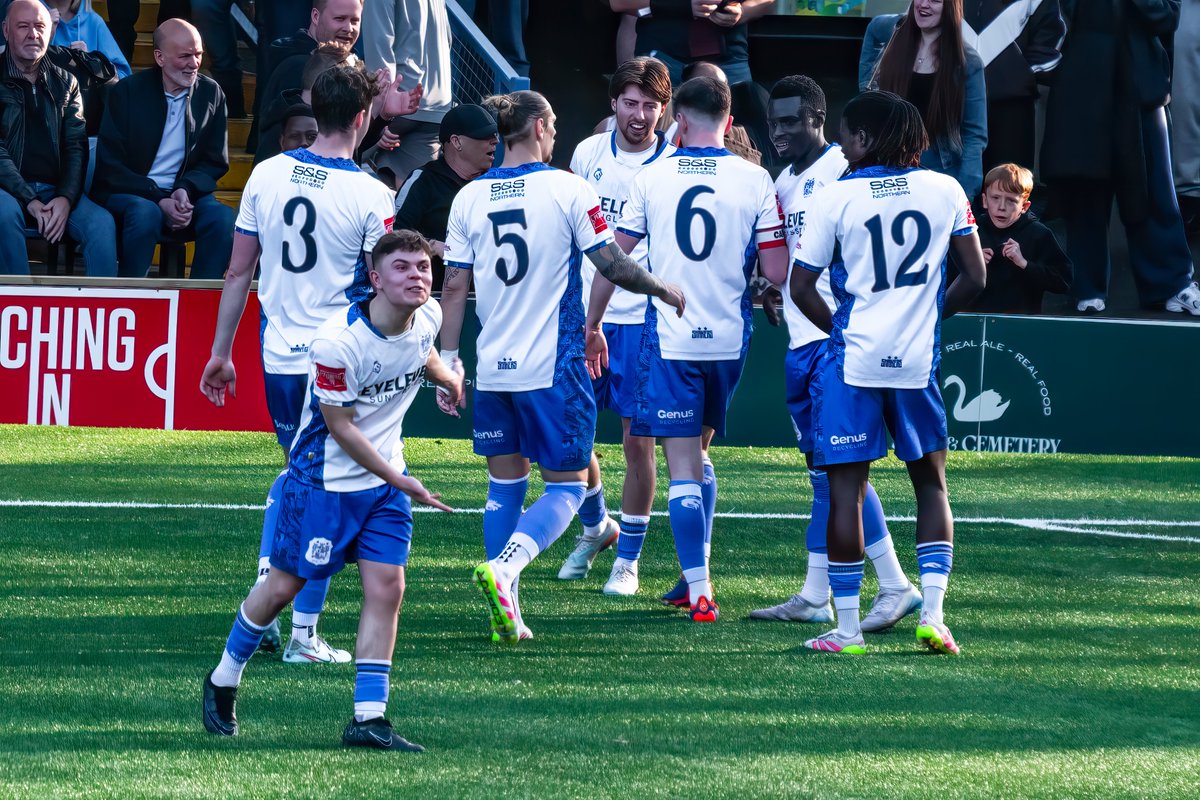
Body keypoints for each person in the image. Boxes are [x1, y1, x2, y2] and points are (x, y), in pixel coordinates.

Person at [201, 229, 464, 752]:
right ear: (375, 279)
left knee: (388, 588)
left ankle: (368, 718)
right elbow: (341, 427)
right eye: (402, 268)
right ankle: (223, 678)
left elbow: (421, 351)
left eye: (423, 267)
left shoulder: (427, 316)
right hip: (323, 483)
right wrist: (401, 479)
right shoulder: (337, 344)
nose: (417, 276)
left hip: (383, 487)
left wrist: (447, 378)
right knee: (282, 588)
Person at [438, 89, 685, 643]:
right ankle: (506, 570)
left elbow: (453, 287)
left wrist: (450, 363)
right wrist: (661, 288)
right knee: (569, 489)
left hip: (493, 366)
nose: (554, 135)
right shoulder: (570, 188)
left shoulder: (469, 197)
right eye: (552, 126)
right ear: (540, 128)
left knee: (504, 488)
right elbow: (613, 264)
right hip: (552, 365)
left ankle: (508, 609)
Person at [200, 64, 398, 662]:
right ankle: (302, 633)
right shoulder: (371, 193)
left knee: (298, 475)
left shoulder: (266, 172)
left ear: (318, 110)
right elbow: (380, 284)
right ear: (362, 117)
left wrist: (220, 353)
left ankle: (271, 586)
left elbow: (239, 270)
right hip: (335, 361)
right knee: (328, 489)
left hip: (278, 358)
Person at [790, 90, 986, 655]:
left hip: (853, 362)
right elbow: (975, 278)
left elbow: (801, 286)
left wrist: (840, 330)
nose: (842, 145)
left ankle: (847, 631)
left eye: (846, 135)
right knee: (931, 485)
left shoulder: (835, 195)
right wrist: (923, 319)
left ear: (865, 138)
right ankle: (934, 616)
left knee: (846, 491)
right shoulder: (946, 189)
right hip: (917, 361)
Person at [595, 75, 787, 622]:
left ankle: (700, 590)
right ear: (730, 121)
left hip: (672, 337)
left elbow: (614, 261)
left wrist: (593, 322)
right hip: (728, 339)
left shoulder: (652, 177)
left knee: (681, 465)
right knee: (700, 456)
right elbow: (776, 270)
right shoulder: (756, 178)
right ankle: (691, 577)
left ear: (678, 119)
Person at [748, 75, 921, 631]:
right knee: (825, 475)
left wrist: (843, 332)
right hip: (803, 341)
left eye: (791, 121)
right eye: (773, 122)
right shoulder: (785, 180)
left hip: (834, 343)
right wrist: (769, 285)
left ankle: (891, 585)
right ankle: (819, 593)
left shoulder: (843, 171)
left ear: (818, 120)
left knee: (841, 472)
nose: (779, 132)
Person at [559, 56, 674, 597]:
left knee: (637, 444)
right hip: (581, 314)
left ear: (664, 110)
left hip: (641, 321)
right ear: (613, 103)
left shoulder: (672, 164)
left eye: (650, 105)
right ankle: (595, 525)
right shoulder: (587, 153)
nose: (640, 115)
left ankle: (627, 561)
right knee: (569, 435)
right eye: (631, 102)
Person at [1041, 0, 1199, 315]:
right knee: (1086, 192)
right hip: (1082, 88)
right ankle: (1087, 288)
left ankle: (1172, 285)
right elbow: (1058, 16)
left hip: (1141, 92)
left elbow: (1166, 18)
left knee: (1154, 191)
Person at [93, 18, 233, 279]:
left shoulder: (211, 93)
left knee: (223, 219)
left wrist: (185, 189)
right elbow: (110, 166)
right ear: (160, 57)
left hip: (184, 193)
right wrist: (158, 197)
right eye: (185, 56)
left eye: (198, 54)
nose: (194, 63)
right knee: (146, 213)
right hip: (131, 192)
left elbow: (215, 161)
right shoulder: (127, 91)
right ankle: (131, 293)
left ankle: (200, 298)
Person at [0, 0, 117, 277]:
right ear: (6, 30)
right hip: (7, 190)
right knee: (3, 214)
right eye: (23, 26)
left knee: (101, 224)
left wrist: (65, 198)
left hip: (55, 190)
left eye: (40, 27)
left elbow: (76, 146)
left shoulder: (66, 81)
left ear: (50, 31)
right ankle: (19, 300)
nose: (33, 34)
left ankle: (102, 303)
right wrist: (29, 198)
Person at [859, 0, 988, 199]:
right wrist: (868, 92)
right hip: (887, 166)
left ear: (951, 7)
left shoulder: (968, 62)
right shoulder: (897, 30)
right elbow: (874, 29)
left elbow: (974, 135)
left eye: (935, 0)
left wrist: (965, 196)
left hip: (937, 172)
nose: (924, 4)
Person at [393, 103, 498, 286]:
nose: (495, 141)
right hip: (432, 294)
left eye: (495, 135)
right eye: (484, 135)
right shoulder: (423, 180)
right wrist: (431, 245)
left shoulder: (494, 184)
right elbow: (394, 235)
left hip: (486, 293)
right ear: (456, 142)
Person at [960, 0, 1064, 172]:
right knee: (952, 182)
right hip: (954, 101)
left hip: (1011, 107)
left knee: (1009, 181)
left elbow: (1050, 33)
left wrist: (1021, 73)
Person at [362, 0, 452, 188]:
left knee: (338, 156)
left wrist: (379, 114)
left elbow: (379, 43)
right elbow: (448, 40)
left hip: (398, 104)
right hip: (437, 107)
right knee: (411, 193)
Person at [967, 162, 1071, 314]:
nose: (1001, 207)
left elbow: (1063, 281)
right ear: (984, 200)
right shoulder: (971, 231)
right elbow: (943, 276)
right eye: (995, 198)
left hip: (1021, 321)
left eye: (1011, 201)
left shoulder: (1038, 234)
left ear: (1024, 206)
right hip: (973, 320)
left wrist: (1024, 264)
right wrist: (972, 264)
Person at [45, 0, 132, 78]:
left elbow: (123, 77)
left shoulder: (94, 22)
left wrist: (90, 61)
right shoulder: (37, 19)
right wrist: (46, 37)